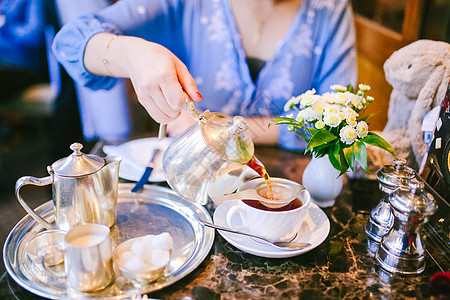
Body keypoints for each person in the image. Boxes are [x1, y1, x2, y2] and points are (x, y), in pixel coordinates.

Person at [52, 0, 357, 148]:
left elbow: (340, 127)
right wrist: (131, 54)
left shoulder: (329, 9)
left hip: (288, 201)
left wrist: (230, 129)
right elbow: (70, 42)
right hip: (193, 189)